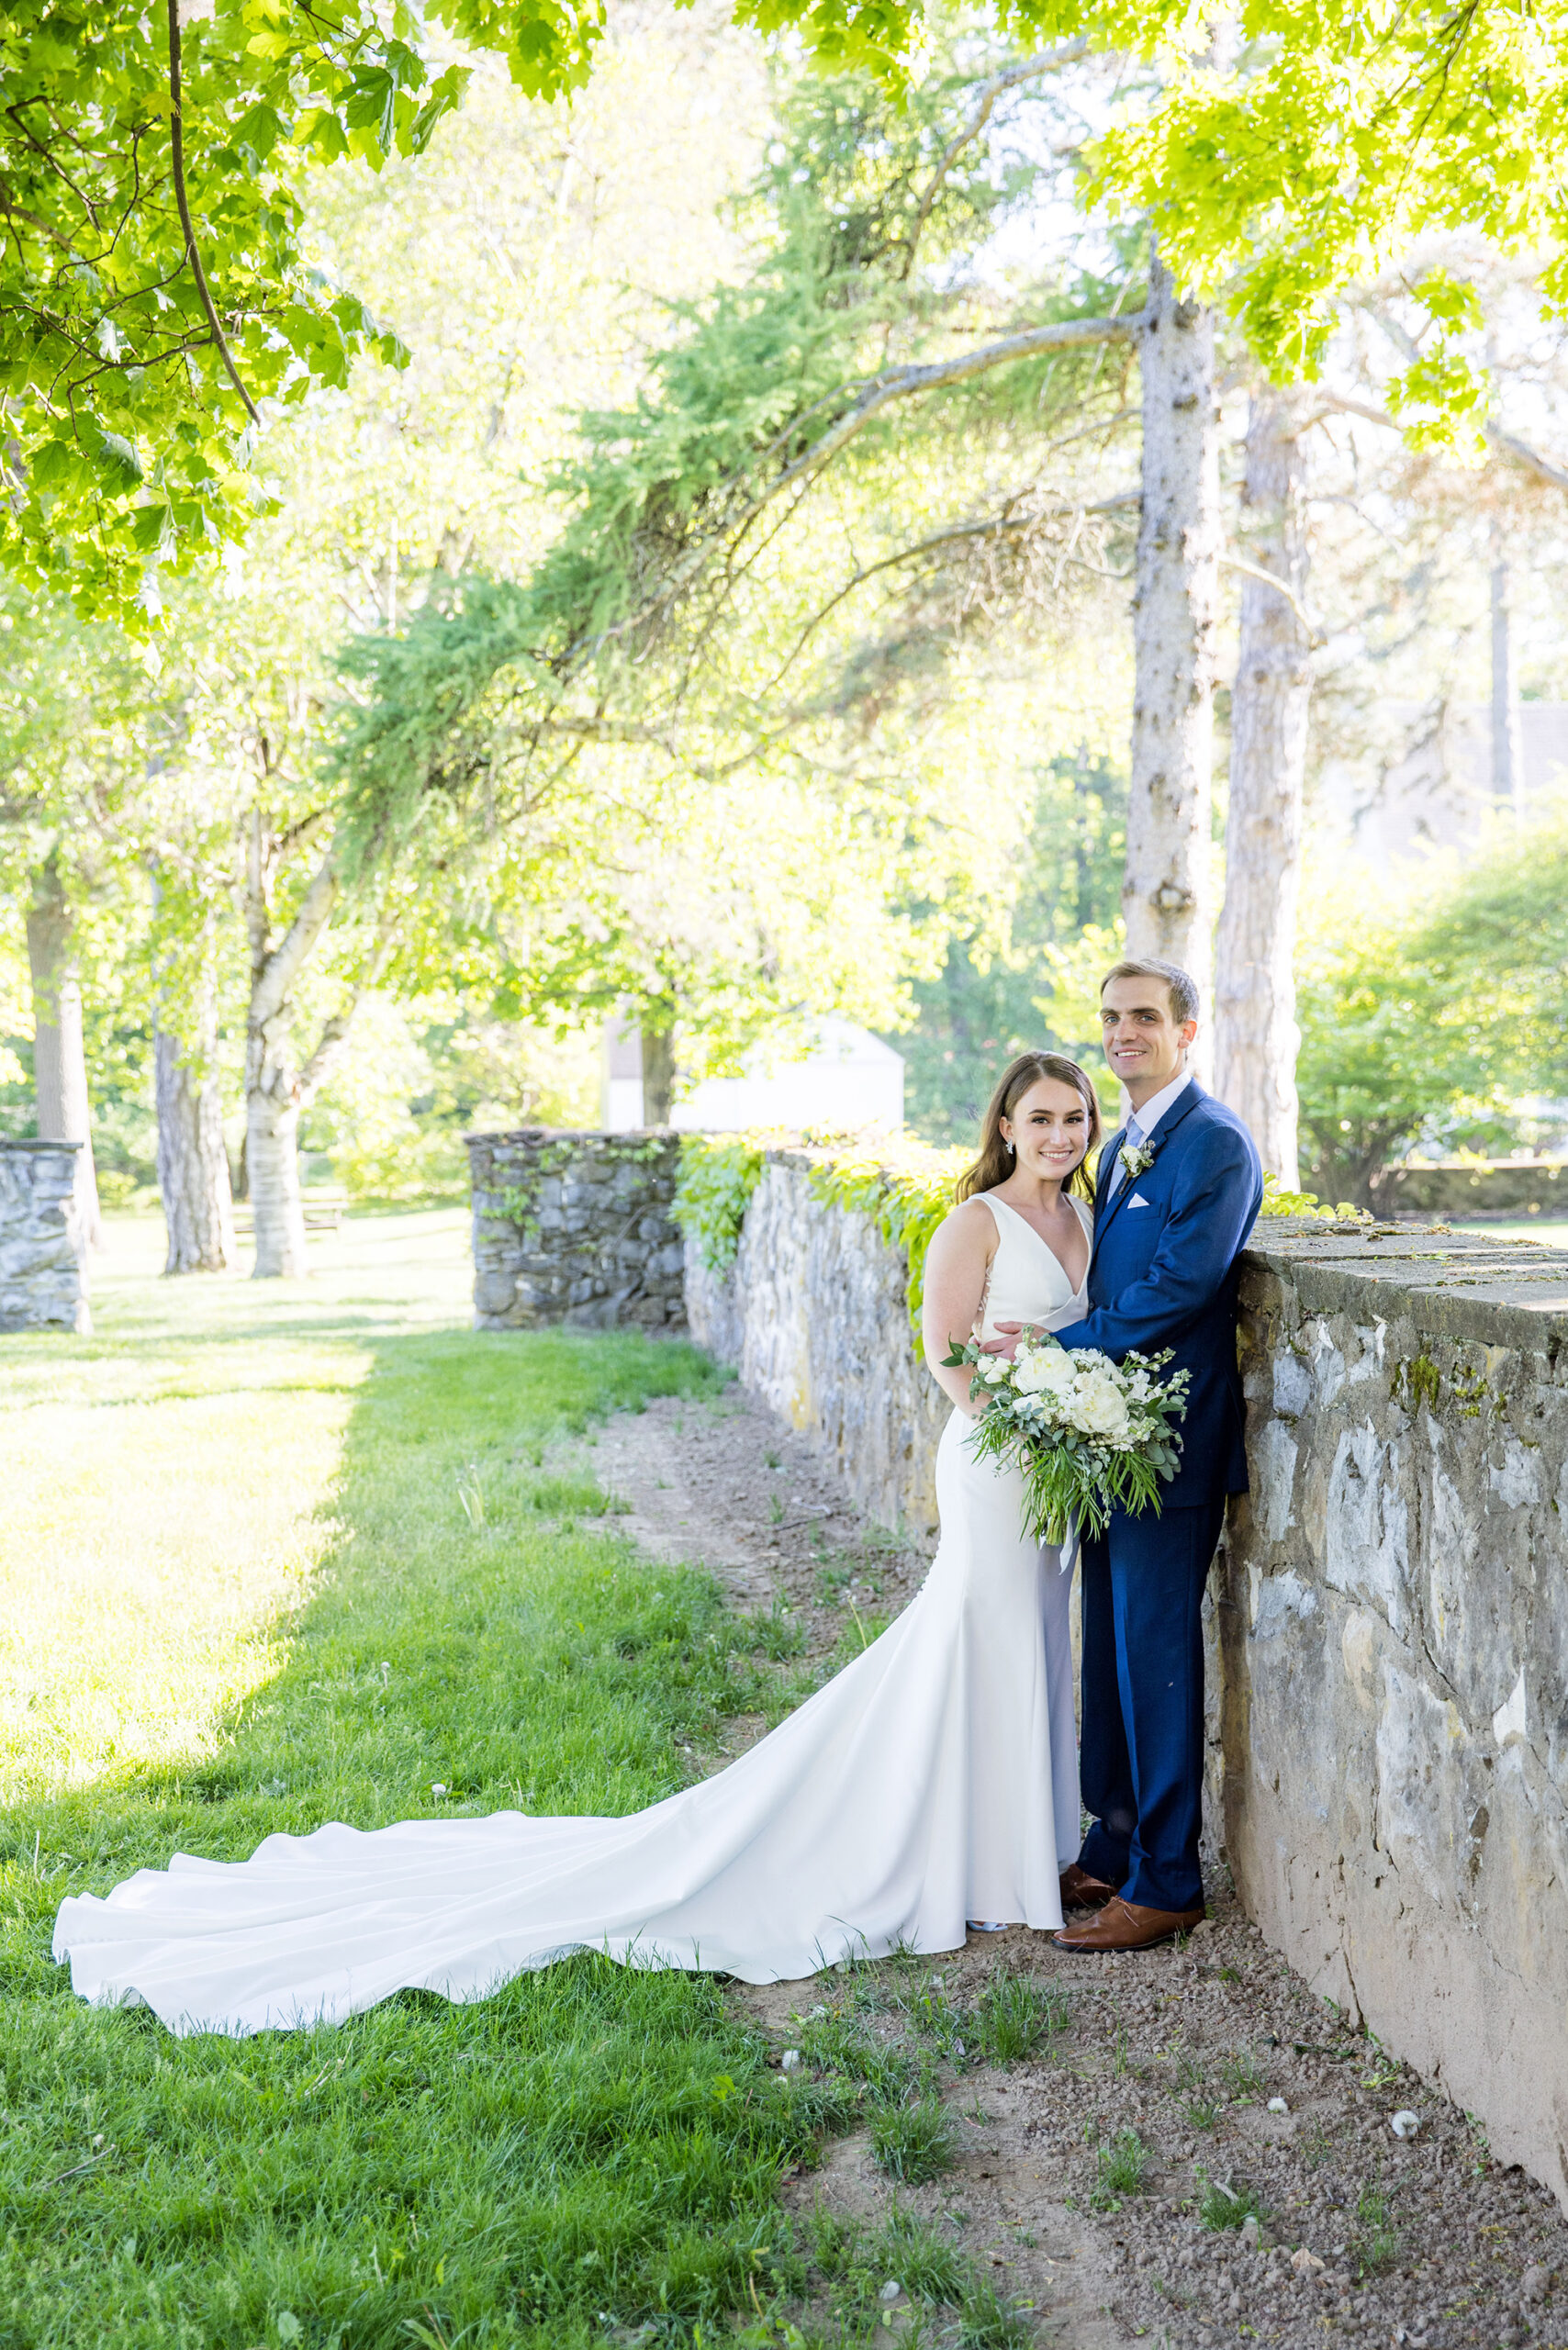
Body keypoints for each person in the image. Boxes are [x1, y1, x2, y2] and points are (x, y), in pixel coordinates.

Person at [53, 1054, 1103, 2038]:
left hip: (1056, 1468)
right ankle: (975, 1855)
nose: (1059, 1134)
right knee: (979, 1631)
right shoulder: (976, 1220)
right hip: (996, 1463)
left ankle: (1014, 1851)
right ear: (1004, 1125)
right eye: (1040, 1117)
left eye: (1074, 1118)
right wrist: (1023, 1424)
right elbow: (945, 1355)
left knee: (1030, 1645)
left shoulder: (1084, 1218)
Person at [991, 958, 1262, 1955]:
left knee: (1152, 1660)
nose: (1121, 1033)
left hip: (1170, 1448)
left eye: (1143, 1017)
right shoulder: (1126, 1147)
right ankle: (1109, 1848)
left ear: (1186, 1031)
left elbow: (1176, 1292)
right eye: (1110, 1017)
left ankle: (1167, 1880)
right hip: (1109, 1440)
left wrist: (1053, 1354)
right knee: (1105, 1654)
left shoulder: (1215, 1145)